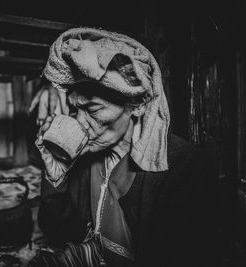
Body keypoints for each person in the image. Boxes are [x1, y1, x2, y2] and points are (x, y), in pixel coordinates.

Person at [30, 27, 221, 266]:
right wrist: (55, 178)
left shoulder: (187, 167)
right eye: (75, 109)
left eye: (93, 109)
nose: (80, 122)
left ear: (138, 104)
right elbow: (57, 232)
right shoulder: (84, 157)